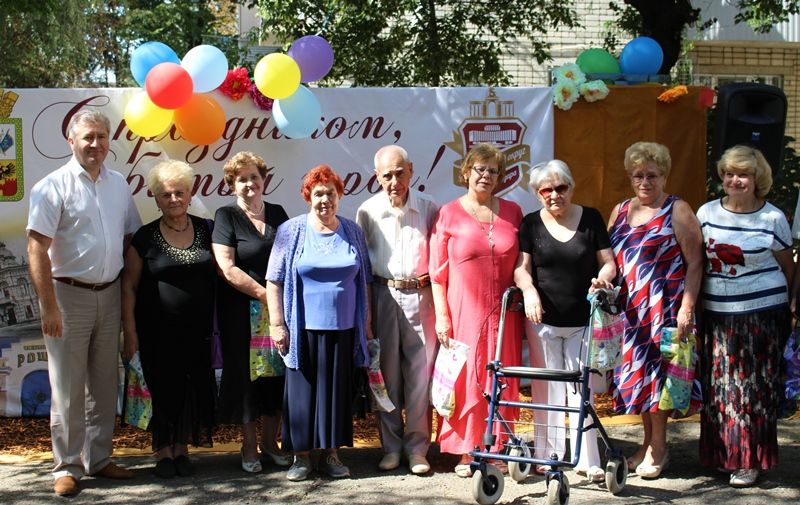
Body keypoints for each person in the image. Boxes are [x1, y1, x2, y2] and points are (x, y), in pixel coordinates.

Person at [26, 110, 141, 496]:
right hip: (67, 296)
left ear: (109, 141)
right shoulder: (51, 186)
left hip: (109, 294)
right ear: (71, 141)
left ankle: (99, 458)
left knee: (104, 384)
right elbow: (36, 248)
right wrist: (48, 306)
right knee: (68, 387)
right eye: (88, 137)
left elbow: (130, 238)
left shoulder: (118, 184)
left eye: (101, 136)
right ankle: (67, 465)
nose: (95, 144)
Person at [266, 164, 373, 482]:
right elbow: (274, 280)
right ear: (308, 197)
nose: (325, 199)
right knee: (302, 395)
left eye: (331, 193)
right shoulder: (291, 231)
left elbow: (365, 280)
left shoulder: (353, 231)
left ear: (339, 196)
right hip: (302, 330)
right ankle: (301, 458)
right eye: (318, 193)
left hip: (344, 329)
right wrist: (277, 324)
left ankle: (330, 455)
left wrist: (367, 324)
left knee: (336, 395)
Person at [697, 145, 794, 488]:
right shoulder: (706, 212)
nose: (735, 180)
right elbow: (697, 261)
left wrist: (790, 306)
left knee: (752, 390)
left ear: (757, 179)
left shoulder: (772, 218)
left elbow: (788, 267)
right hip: (717, 316)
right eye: (729, 173)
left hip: (761, 316)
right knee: (720, 388)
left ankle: (750, 461)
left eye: (743, 174)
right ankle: (724, 456)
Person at [514, 160, 616, 482]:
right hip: (542, 321)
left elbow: (609, 262)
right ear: (537, 193)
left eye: (561, 188)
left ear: (571, 188)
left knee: (581, 389)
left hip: (582, 320)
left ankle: (588, 460)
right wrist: (528, 290)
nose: (555, 195)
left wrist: (603, 279)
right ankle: (548, 457)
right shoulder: (531, 223)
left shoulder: (591, 218)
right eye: (546, 190)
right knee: (546, 390)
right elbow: (521, 269)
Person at [607, 141, 703, 479]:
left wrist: (687, 307)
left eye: (652, 175)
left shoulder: (678, 209)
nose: (644, 182)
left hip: (666, 308)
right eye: (638, 175)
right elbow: (610, 259)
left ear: (664, 176)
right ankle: (647, 443)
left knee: (660, 380)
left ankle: (659, 448)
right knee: (639, 378)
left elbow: (695, 263)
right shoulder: (620, 210)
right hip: (630, 313)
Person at [430, 142, 523, 477]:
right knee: (468, 377)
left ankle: (497, 447)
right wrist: (442, 316)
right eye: (480, 169)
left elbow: (522, 261)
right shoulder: (449, 213)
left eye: (493, 171)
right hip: (463, 312)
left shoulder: (513, 211)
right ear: (466, 172)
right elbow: (437, 274)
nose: (486, 176)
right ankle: (468, 451)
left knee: (501, 375)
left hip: (505, 313)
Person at [121, 160, 216, 478]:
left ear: (190, 194)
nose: (173, 199)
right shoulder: (144, 237)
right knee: (162, 387)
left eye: (179, 192)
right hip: (156, 331)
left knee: (190, 386)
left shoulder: (207, 229)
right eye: (165, 194)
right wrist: (130, 333)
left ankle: (182, 449)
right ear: (156, 199)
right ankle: (163, 451)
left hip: (198, 331)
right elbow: (128, 287)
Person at [356, 145, 439, 475]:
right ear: (377, 177)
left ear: (411, 170)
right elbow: (362, 267)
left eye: (400, 173)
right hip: (383, 295)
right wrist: (367, 314)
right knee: (386, 376)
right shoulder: (367, 211)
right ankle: (390, 448)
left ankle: (417, 449)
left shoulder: (429, 207)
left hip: (422, 296)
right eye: (387, 175)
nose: (395, 181)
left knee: (419, 377)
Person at [211, 151, 291, 473]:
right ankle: (248, 445)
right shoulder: (226, 216)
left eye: (254, 177)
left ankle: (271, 442)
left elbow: (292, 257)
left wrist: (277, 301)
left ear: (263, 180)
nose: (249, 184)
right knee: (246, 378)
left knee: (277, 375)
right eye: (241, 179)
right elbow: (226, 268)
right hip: (240, 312)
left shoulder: (278, 213)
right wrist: (265, 295)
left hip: (279, 312)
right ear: (232, 184)